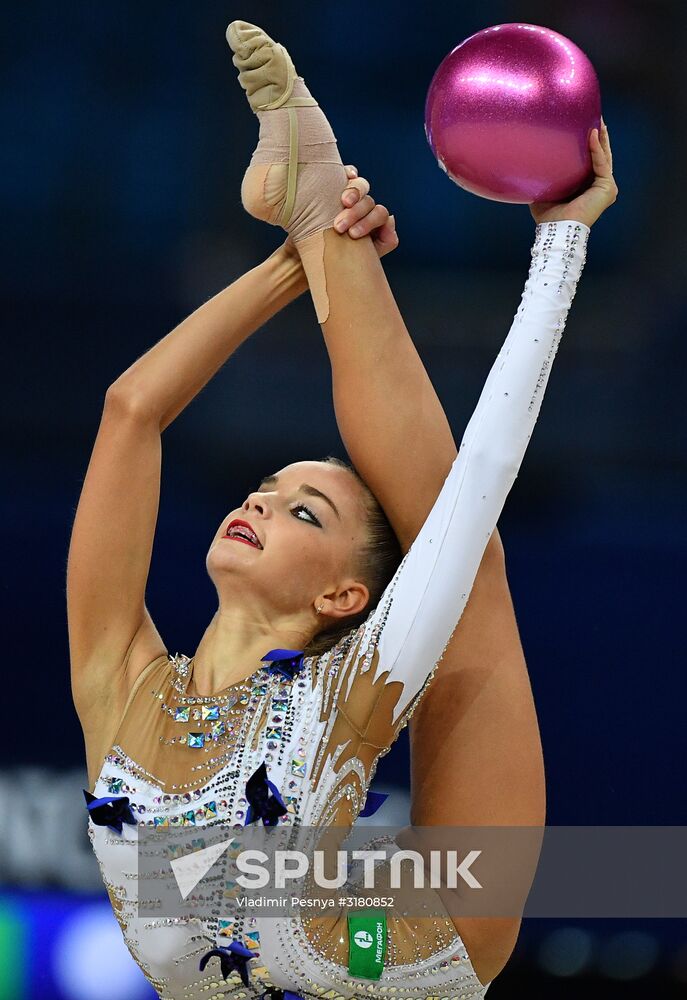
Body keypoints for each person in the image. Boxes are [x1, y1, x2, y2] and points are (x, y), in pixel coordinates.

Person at [68, 19, 617, 1000]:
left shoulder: (335, 686)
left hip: (369, 934)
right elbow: (130, 411)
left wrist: (313, 245)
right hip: (433, 955)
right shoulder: (135, 686)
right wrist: (300, 257)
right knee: (468, 551)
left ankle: (317, 199)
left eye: (296, 509)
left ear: (346, 595)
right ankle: (315, 206)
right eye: (278, 495)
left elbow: (130, 410)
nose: (259, 500)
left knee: (467, 557)